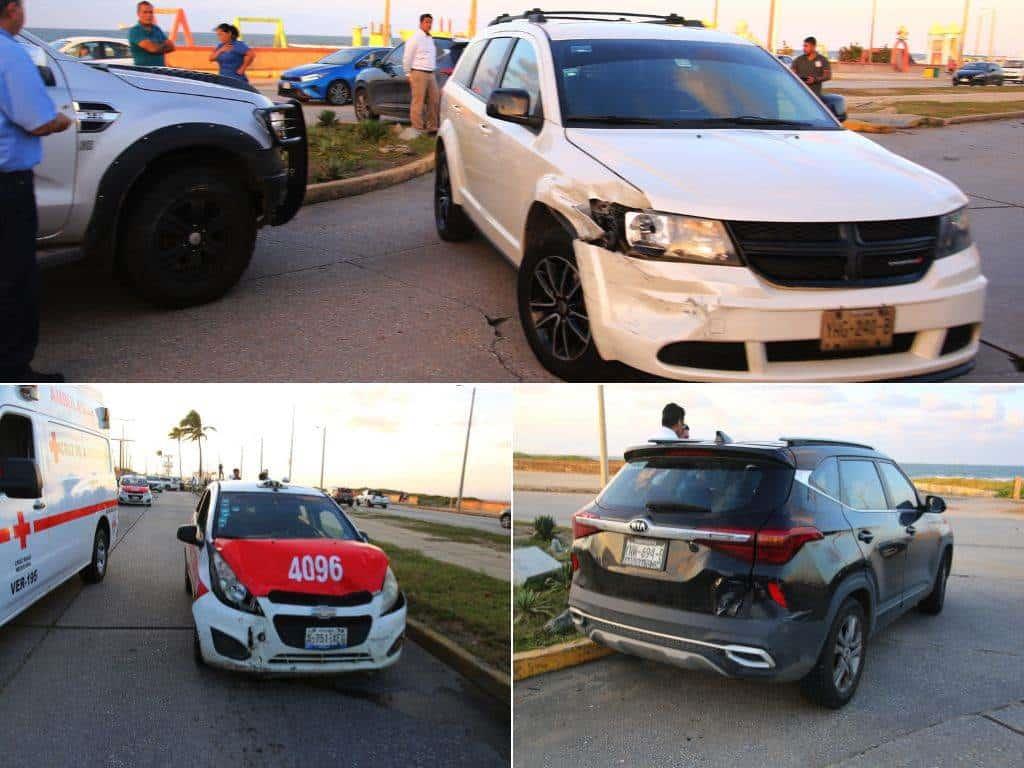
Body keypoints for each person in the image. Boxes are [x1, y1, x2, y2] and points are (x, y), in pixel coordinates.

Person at [1, 0, 72, 382]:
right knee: (14, 277)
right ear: (12, 8)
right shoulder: (10, 54)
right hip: (7, 186)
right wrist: (61, 120)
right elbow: (37, 120)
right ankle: (12, 369)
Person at [402, 13, 439, 134]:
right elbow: (407, 57)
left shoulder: (430, 38)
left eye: (430, 22)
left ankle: (432, 127)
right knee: (418, 101)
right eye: (427, 22)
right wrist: (408, 73)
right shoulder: (415, 38)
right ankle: (417, 128)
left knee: (434, 100)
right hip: (418, 72)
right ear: (421, 23)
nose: (429, 25)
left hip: (430, 73)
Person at [128, 1, 174, 67]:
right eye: (145, 12)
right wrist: (163, 46)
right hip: (145, 73)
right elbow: (152, 49)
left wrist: (156, 47)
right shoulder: (135, 31)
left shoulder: (157, 29)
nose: (149, 15)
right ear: (138, 14)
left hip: (161, 72)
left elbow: (171, 47)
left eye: (151, 12)